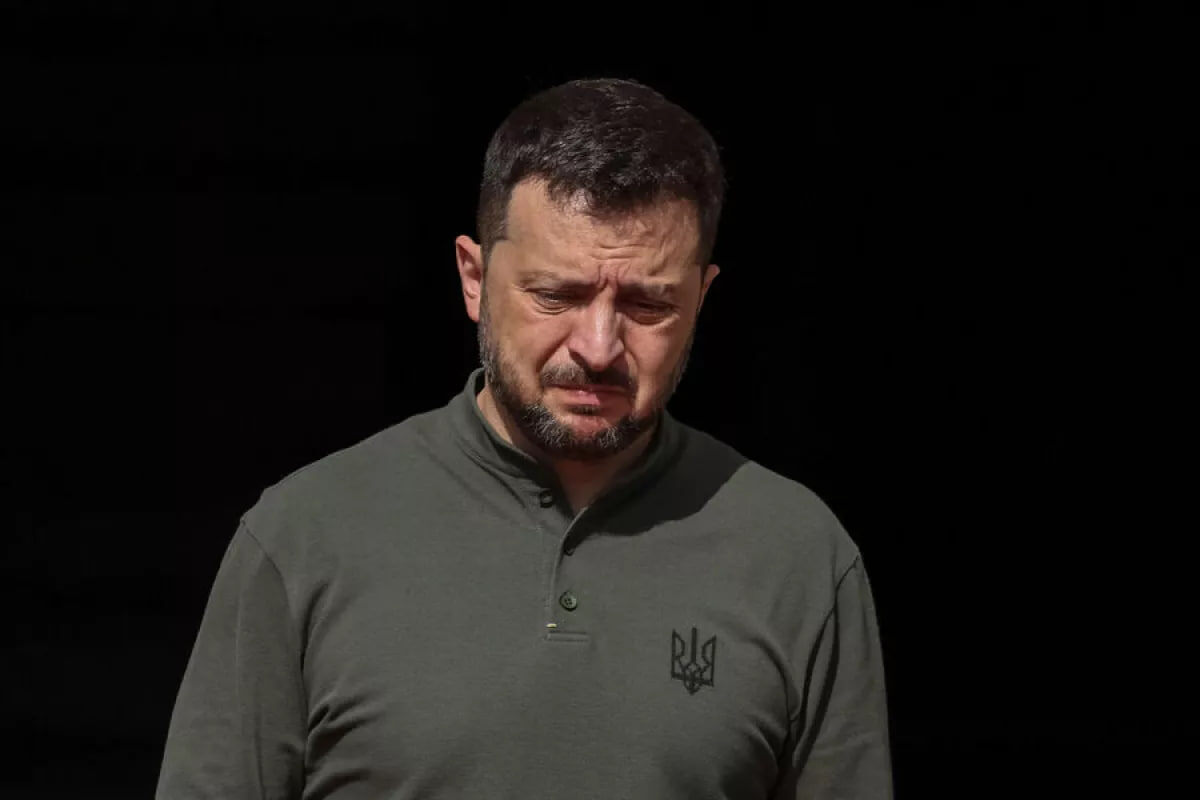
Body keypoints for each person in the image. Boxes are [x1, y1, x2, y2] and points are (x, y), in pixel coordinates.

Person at [156, 77, 894, 799]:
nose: (598, 346)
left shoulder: (797, 555)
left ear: (702, 297)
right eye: (556, 295)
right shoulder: (304, 538)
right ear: (473, 278)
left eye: (648, 305)